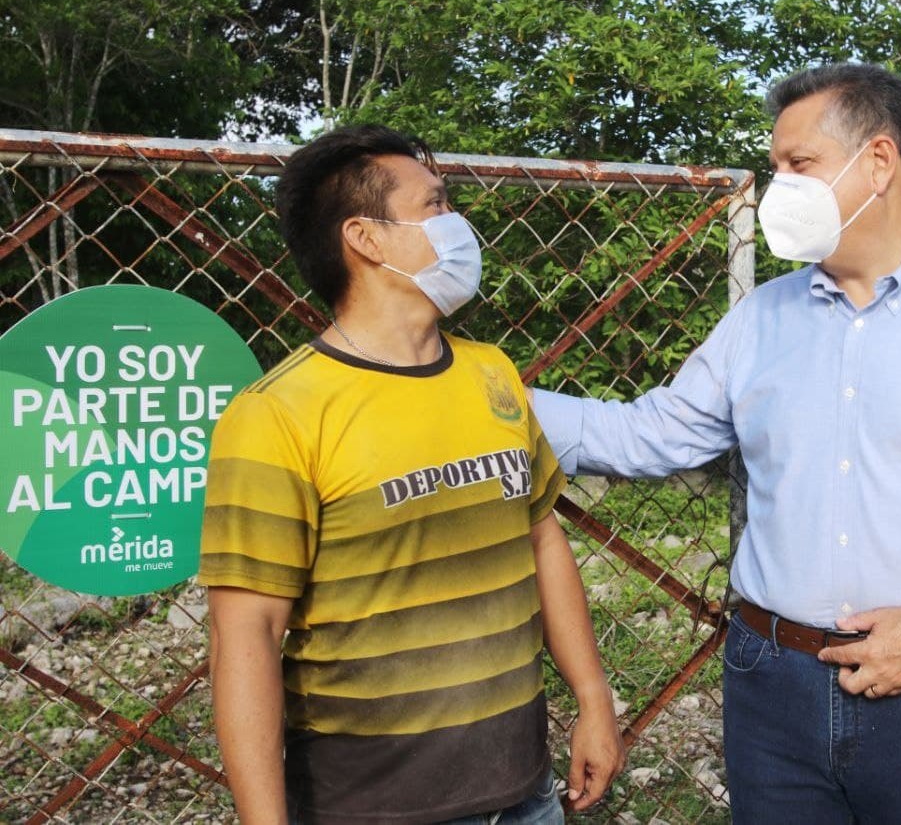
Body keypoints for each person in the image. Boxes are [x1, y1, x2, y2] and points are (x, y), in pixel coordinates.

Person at [532, 63, 901, 823]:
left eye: (797, 165)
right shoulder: (762, 316)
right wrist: (488, 400)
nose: (779, 186)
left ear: (878, 163)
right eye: (775, 167)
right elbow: (656, 434)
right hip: (769, 680)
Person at [199, 124, 625, 825]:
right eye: (435, 205)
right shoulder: (277, 414)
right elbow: (244, 635)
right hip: (370, 806)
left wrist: (593, 701)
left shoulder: (492, 372)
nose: (458, 224)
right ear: (365, 239)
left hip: (524, 790)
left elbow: (542, 538)